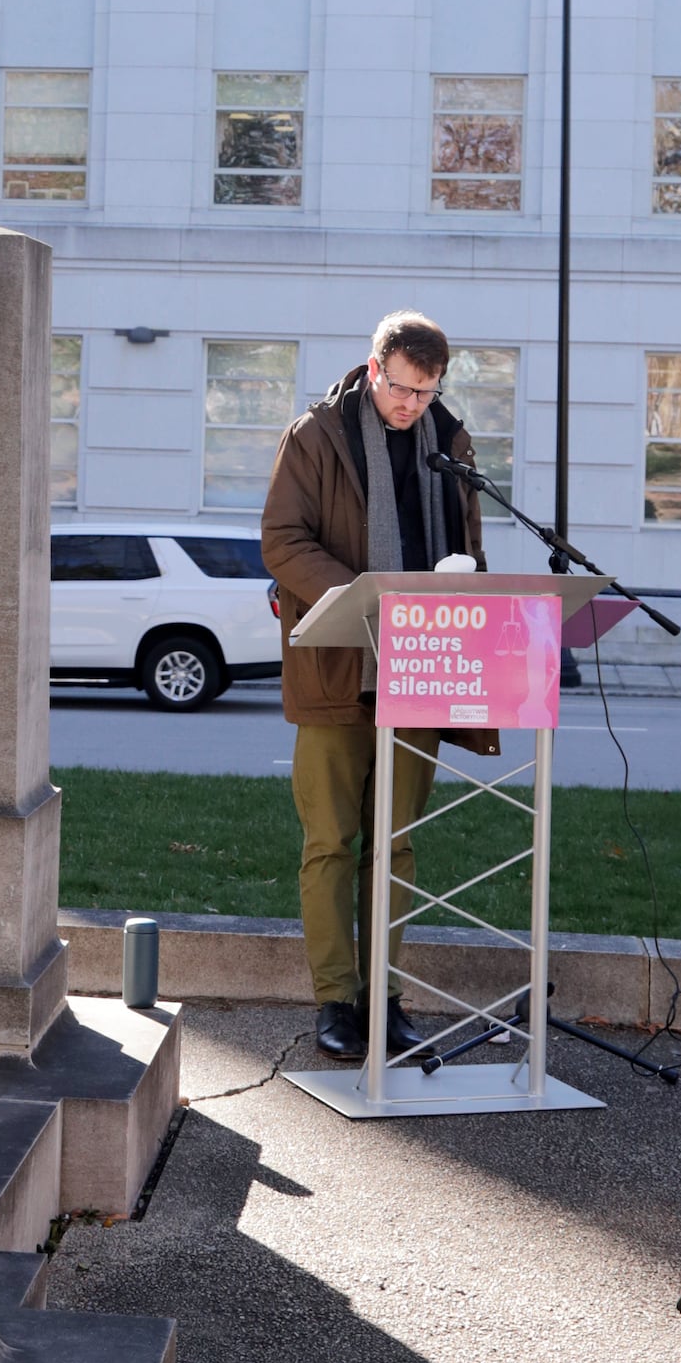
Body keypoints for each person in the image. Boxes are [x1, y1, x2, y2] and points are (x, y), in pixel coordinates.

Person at [261, 311, 496, 1062]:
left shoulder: (450, 444)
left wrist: (467, 590)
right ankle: (336, 1000)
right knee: (331, 841)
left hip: (422, 669)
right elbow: (282, 541)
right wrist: (365, 600)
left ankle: (385, 999)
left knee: (395, 846)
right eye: (401, 389)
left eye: (426, 393)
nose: (411, 406)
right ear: (374, 370)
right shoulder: (317, 435)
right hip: (338, 666)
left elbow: (469, 549)